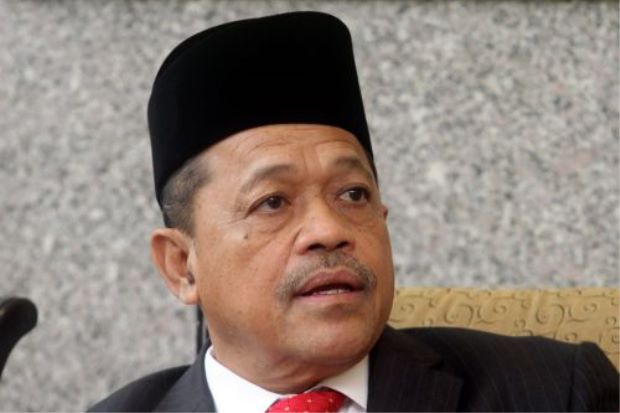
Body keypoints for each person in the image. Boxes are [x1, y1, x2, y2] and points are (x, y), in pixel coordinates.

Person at [89, 11, 619, 412]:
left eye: (352, 195)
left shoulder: (557, 392)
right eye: (272, 202)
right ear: (182, 266)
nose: (329, 230)